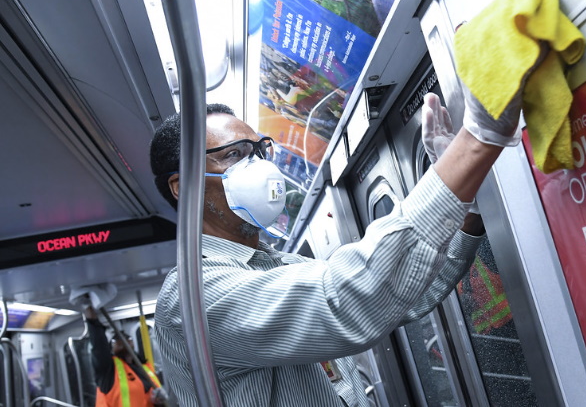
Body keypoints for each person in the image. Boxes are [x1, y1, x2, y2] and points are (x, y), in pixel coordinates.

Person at [150, 82, 526, 406]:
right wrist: (473, 144)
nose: (261, 167)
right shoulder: (193, 298)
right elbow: (346, 300)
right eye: (235, 155)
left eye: (260, 151)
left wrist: (467, 212)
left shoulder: (279, 264)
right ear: (184, 188)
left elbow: (397, 294)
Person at [83, 306, 166, 407]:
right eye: (116, 341)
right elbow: (98, 346)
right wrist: (91, 315)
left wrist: (158, 402)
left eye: (128, 338)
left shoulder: (145, 368)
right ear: (111, 347)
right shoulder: (108, 371)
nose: (123, 341)